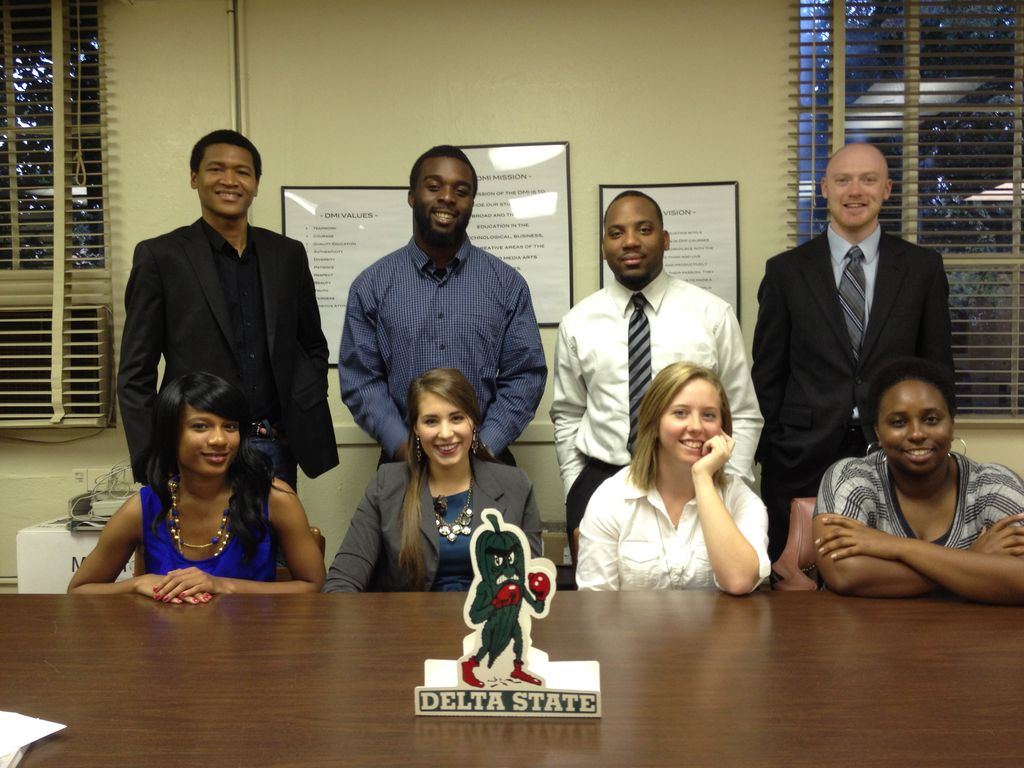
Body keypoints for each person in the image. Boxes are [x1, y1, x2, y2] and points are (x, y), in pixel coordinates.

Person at [752, 142, 953, 561]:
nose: (855, 190)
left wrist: (934, 442)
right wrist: (768, 449)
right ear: (824, 188)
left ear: (887, 189)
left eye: (868, 179)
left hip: (895, 449)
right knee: (796, 575)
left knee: (892, 567)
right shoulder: (786, 272)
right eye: (842, 180)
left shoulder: (922, 268)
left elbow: (936, 369)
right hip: (801, 455)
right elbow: (767, 373)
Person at [118, 129, 337, 489]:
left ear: (256, 183)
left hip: (272, 447)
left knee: (273, 546)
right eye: (216, 169)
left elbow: (313, 345)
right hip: (194, 449)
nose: (230, 180)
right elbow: (134, 374)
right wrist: (151, 459)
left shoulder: (287, 255)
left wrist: (297, 410)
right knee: (199, 546)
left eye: (242, 172)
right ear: (194, 178)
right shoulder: (161, 257)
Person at [551, 190, 762, 561]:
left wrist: (729, 484)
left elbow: (742, 410)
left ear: (665, 240)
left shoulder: (712, 315)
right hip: (602, 480)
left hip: (695, 481)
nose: (630, 241)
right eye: (616, 233)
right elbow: (568, 413)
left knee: (702, 596)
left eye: (643, 229)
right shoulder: (577, 323)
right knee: (600, 606)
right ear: (604, 246)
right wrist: (575, 487)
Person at [339, 145, 546, 464]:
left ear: (472, 203)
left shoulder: (506, 284)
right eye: (434, 186)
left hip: (486, 462)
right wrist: (403, 446)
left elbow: (525, 374)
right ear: (412, 195)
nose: (448, 197)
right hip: (403, 462)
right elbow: (361, 378)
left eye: (461, 191)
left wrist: (485, 445)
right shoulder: (372, 285)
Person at [69, 372, 326, 600]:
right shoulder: (144, 506)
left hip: (252, 645)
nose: (219, 439)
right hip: (166, 648)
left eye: (230, 427)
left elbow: (313, 585)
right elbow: (79, 590)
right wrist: (137, 584)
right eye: (200, 426)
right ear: (171, 434)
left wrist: (222, 585)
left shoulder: (274, 498)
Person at [814, 357, 1024, 604]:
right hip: (865, 636)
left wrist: (897, 547)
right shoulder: (852, 479)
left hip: (974, 637)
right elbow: (843, 573)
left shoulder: (993, 485)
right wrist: (971, 561)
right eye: (898, 422)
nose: (916, 434)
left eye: (931, 419)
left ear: (952, 424)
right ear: (878, 432)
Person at [323, 368, 541, 592]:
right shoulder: (386, 484)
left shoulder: (516, 485)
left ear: (473, 422)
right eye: (431, 421)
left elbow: (533, 584)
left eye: (456, 418)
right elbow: (341, 583)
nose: (445, 433)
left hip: (492, 623)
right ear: (416, 428)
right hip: (408, 624)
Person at [576, 362, 770, 594]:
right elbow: (594, 606)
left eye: (709, 415)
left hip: (719, 631)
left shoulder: (740, 499)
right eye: (680, 413)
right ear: (655, 423)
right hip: (631, 631)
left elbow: (739, 581)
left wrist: (702, 478)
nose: (696, 427)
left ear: (722, 428)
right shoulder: (612, 498)